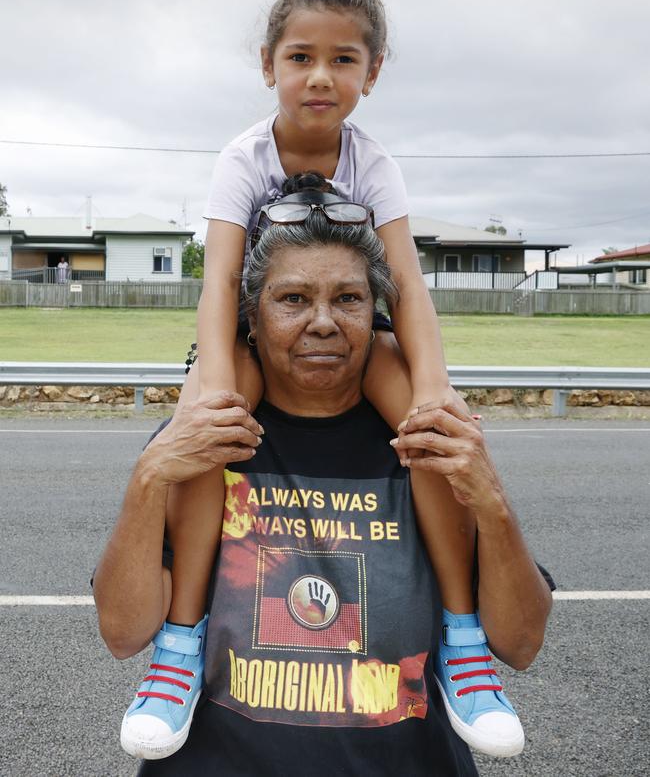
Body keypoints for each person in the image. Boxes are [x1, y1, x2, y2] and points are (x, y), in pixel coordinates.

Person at [117, 0, 525, 758]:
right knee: (211, 432)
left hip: (353, 329)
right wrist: (205, 393)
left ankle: (463, 641)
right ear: (268, 63)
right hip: (250, 330)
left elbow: (406, 287)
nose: (319, 76)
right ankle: (180, 645)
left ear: (372, 73)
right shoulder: (245, 157)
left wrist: (436, 390)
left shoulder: (373, 162)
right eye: (300, 56)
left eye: (344, 59)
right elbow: (218, 279)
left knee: (429, 435)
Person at [94, 212, 553, 775]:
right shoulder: (203, 444)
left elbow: (522, 642)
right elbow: (123, 631)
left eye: (349, 299)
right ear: (252, 320)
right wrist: (147, 479)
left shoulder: (427, 440)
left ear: (377, 315)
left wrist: (494, 505)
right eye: (292, 298)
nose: (323, 322)